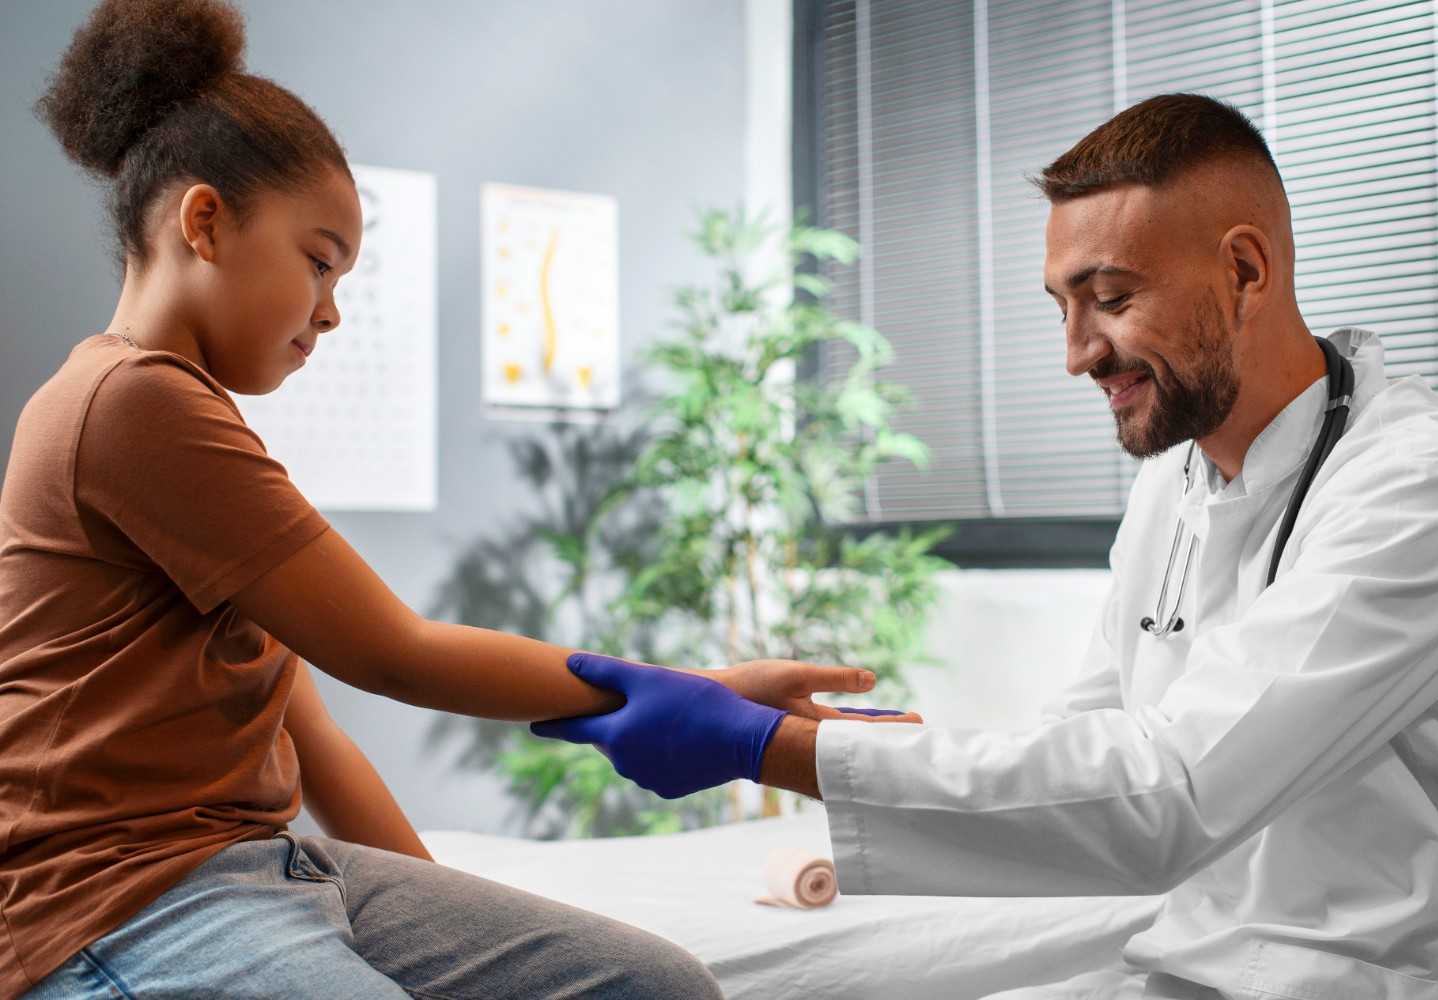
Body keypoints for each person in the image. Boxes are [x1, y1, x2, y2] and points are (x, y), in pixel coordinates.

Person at [0, 2, 917, 997]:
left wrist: (454, 936)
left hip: (265, 866)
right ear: (206, 221)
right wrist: (693, 695)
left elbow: (309, 730)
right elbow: (395, 652)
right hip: (124, 901)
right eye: (319, 259)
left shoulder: (180, 419)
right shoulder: (130, 403)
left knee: (658, 985)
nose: (333, 309)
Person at [532, 94, 1438, 998]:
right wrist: (841, 739)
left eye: (1110, 298)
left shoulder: (1422, 490)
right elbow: (1090, 731)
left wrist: (764, 748)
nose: (1077, 352)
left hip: (1379, 971)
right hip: (1198, 950)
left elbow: (1175, 793)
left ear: (1245, 270)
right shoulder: (1179, 472)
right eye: (1061, 306)